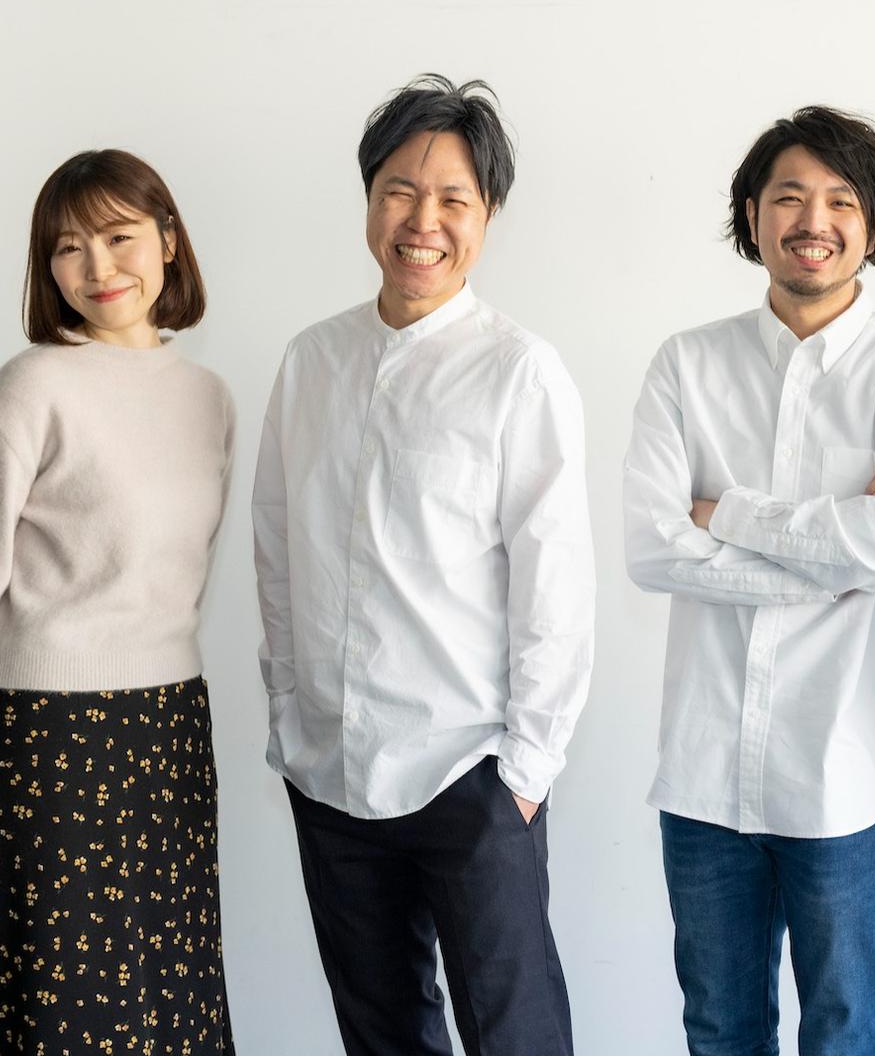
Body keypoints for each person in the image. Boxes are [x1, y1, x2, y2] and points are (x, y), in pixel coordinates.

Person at [253, 75, 594, 1056]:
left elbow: (555, 589)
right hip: (331, 768)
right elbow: (277, 545)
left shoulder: (519, 371)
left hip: (468, 769)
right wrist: (291, 713)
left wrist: (523, 772)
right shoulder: (310, 361)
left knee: (516, 1036)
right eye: (399, 190)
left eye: (454, 198)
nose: (422, 221)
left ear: (487, 214)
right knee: (381, 1034)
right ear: (369, 199)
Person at [622, 106, 875, 1055]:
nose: (814, 221)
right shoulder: (686, 365)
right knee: (720, 1032)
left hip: (848, 775)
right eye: (790, 197)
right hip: (705, 779)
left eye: (842, 200)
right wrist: (836, 559)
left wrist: (726, 513)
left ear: (873, 221)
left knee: (850, 1033)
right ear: (753, 214)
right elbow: (651, 549)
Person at [0, 149, 237, 1053]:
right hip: (48, 744)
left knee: (172, 1006)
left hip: (171, 732)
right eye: (67, 248)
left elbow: (179, 580)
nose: (97, 268)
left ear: (168, 240)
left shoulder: (208, 400)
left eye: (119, 237)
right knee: (66, 1021)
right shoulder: (30, 389)